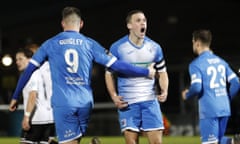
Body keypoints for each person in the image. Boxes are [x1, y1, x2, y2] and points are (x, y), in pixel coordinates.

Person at [9, 6, 156, 144]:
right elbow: (117, 65)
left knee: (69, 141)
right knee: (74, 139)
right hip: (85, 102)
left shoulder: (50, 44)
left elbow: (28, 71)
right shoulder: (90, 44)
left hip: (64, 102)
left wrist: (16, 97)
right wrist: (146, 72)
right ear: (81, 24)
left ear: (62, 23)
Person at [105, 9, 169, 144]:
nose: (142, 23)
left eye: (144, 20)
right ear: (129, 25)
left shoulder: (155, 47)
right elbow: (109, 74)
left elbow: (162, 72)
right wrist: (113, 96)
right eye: (138, 20)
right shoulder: (118, 47)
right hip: (128, 103)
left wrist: (165, 90)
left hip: (150, 101)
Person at [181, 29, 240, 144]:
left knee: (210, 142)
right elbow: (236, 83)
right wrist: (227, 98)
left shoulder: (195, 64)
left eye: (193, 42)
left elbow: (197, 87)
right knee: (218, 140)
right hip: (224, 108)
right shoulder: (221, 62)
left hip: (209, 109)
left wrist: (187, 94)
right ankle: (234, 141)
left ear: (197, 43)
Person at [14, 47, 57, 144]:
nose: (17, 62)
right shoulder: (48, 68)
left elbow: (33, 95)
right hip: (49, 117)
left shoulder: (32, 73)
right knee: (46, 141)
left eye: (20, 59)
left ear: (30, 59)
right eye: (16, 59)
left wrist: (26, 116)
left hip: (37, 118)